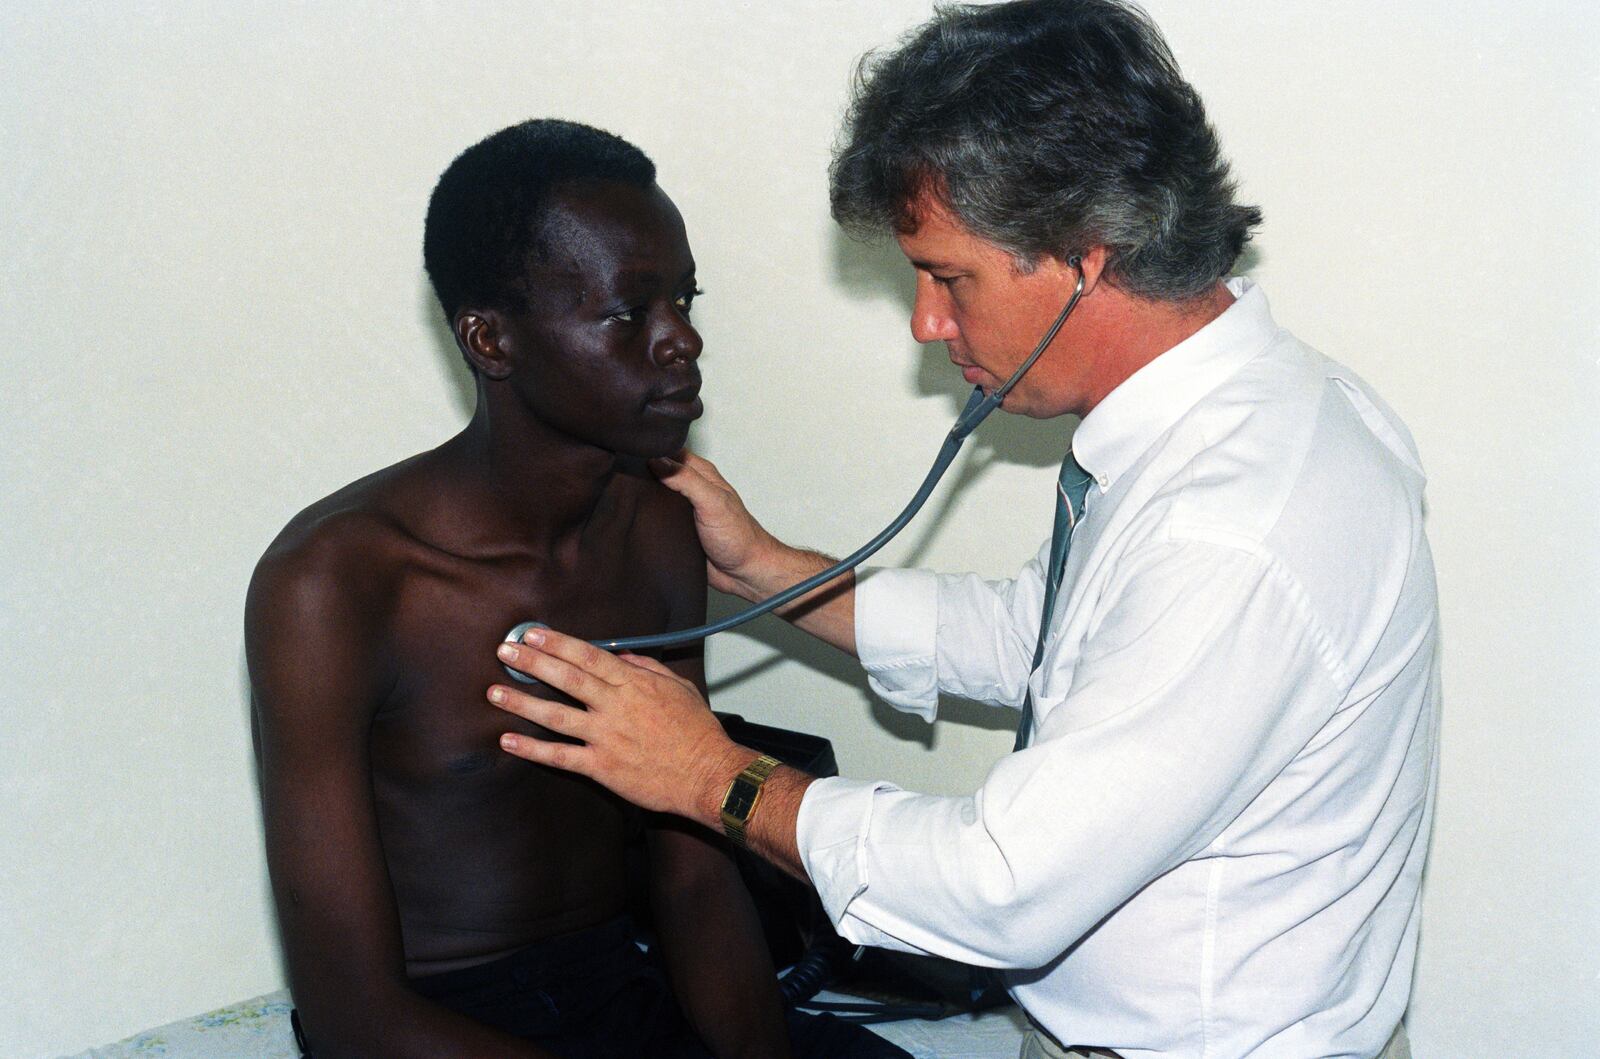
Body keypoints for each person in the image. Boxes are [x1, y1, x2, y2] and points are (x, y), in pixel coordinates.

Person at [486, 4, 1439, 1058]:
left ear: (1084, 257)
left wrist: (713, 776)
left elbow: (1001, 885)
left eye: (949, 277)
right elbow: (1043, 640)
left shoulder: (1236, 525)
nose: (928, 325)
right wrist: (766, 570)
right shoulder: (1244, 416)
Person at [246, 119, 908, 1059]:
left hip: (618, 985)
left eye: (683, 298)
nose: (682, 340)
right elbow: (356, 1020)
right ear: (492, 340)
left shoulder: (657, 531)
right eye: (627, 313)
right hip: (434, 1033)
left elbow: (691, 879)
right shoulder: (336, 585)